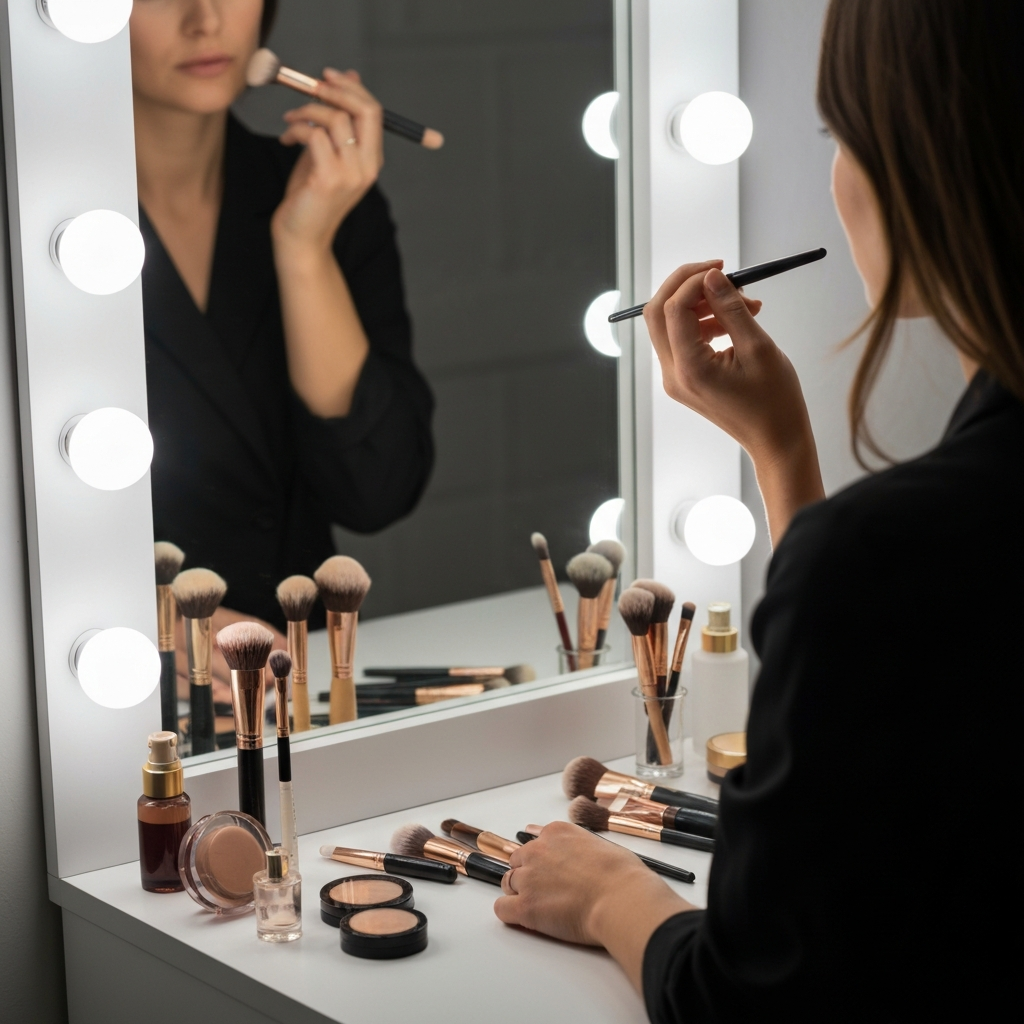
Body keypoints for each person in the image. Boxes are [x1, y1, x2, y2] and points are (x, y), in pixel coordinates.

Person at [493, 1, 1021, 1019]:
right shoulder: (902, 553)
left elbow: (745, 998)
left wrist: (613, 893)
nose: (835, 176)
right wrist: (783, 454)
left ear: (923, 162)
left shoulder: (893, 555)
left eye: (840, 135)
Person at [129, 0, 434, 697]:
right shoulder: (52, 230)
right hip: (100, 693)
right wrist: (136, 618)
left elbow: (376, 491)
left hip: (298, 686)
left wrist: (303, 247)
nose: (204, 18)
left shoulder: (321, 197)